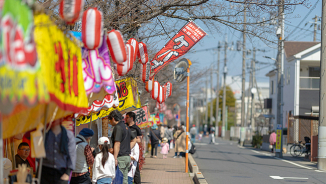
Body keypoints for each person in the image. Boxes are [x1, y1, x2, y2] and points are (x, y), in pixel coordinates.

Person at [42, 119, 76, 184]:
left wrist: (67, 173)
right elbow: (38, 156)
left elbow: (72, 156)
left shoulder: (68, 135)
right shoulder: (44, 134)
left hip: (61, 172)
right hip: (44, 171)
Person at [108, 110, 135, 184]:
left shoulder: (118, 127)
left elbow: (117, 143)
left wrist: (115, 158)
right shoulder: (126, 126)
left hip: (120, 158)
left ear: (113, 118)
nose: (110, 122)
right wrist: (127, 148)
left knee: (118, 180)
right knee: (124, 181)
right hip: (127, 157)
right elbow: (134, 140)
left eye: (110, 120)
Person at [126, 111, 142, 184]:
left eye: (127, 117)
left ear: (131, 118)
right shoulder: (124, 126)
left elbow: (140, 139)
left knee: (136, 168)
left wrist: (133, 140)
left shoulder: (137, 128)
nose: (125, 119)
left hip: (133, 149)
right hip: (125, 147)